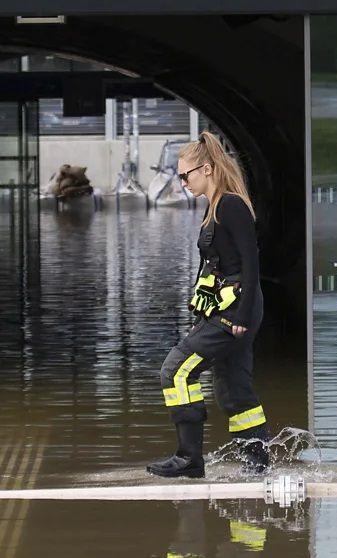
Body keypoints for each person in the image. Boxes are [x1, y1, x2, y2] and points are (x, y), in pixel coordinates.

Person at [146, 131, 270, 479]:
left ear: (208, 169)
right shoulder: (216, 207)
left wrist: (242, 317)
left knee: (176, 370)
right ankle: (258, 463)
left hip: (235, 313)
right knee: (233, 388)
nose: (182, 182)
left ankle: (188, 458)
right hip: (224, 312)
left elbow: (250, 263)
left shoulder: (230, 205)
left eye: (186, 175)